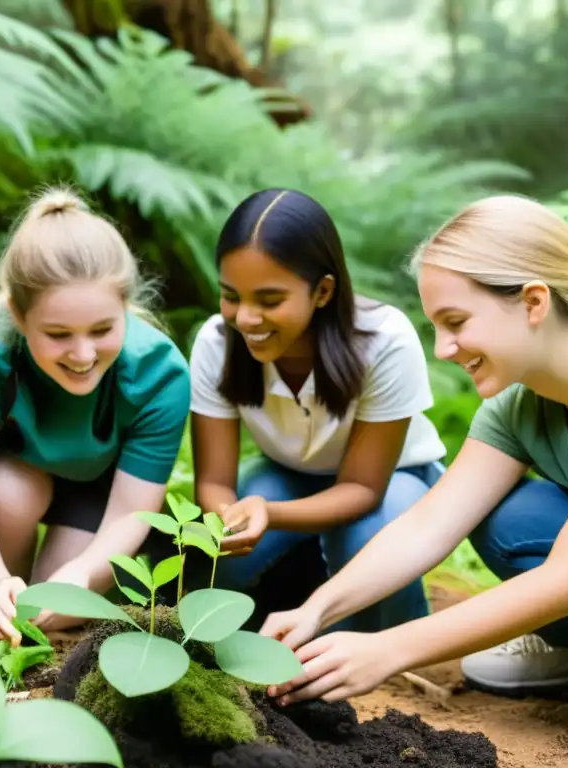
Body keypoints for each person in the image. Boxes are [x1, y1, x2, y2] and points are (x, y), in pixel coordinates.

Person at [260, 194, 568, 756]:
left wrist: (388, 649)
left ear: (533, 302)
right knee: (507, 521)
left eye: (455, 322)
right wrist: (319, 608)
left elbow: (567, 580)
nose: (444, 348)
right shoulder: (519, 404)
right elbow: (430, 524)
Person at [0, 187, 191, 646]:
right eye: (57, 334)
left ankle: (32, 613)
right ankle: (0, 618)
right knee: (9, 505)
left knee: (58, 610)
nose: (83, 354)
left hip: (103, 491)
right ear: (17, 311)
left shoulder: (159, 374)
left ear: (125, 308)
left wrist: (83, 576)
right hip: (18, 479)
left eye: (102, 329)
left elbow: (132, 510)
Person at [188, 188, 447, 632]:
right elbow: (213, 481)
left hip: (391, 482)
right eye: (231, 295)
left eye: (269, 301)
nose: (246, 318)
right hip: (286, 476)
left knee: (372, 544)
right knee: (214, 568)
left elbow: (363, 488)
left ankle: (398, 643)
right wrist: (230, 519)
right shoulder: (217, 342)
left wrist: (271, 513)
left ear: (323, 290)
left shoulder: (383, 341)